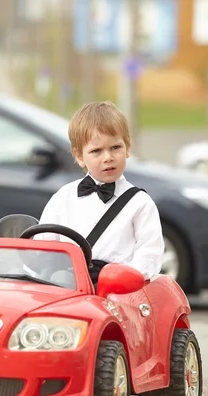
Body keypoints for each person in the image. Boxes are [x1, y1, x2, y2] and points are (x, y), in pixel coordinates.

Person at [36, 101, 164, 286]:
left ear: (127, 147)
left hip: (118, 291)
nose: (108, 157)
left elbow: (150, 253)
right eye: (96, 151)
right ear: (79, 156)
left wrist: (125, 277)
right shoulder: (63, 198)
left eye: (115, 147)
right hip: (68, 288)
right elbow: (44, 246)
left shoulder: (140, 203)